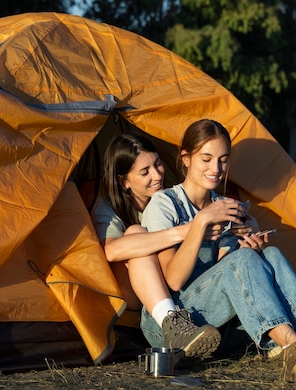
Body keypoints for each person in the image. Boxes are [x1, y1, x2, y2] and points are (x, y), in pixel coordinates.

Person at [140, 119, 296, 383]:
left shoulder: (225, 205)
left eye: (223, 160)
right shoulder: (165, 204)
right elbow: (173, 280)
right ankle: (293, 350)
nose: (216, 168)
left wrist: (247, 247)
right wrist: (200, 222)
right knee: (245, 259)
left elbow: (223, 274)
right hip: (177, 325)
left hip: (217, 321)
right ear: (186, 158)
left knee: (271, 254)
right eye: (206, 159)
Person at [90, 132, 221, 358]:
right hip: (129, 293)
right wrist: (186, 231)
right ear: (125, 182)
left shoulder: (171, 199)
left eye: (158, 164)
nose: (158, 175)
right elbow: (110, 250)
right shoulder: (107, 207)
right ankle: (172, 325)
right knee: (135, 234)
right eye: (145, 172)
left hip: (174, 280)